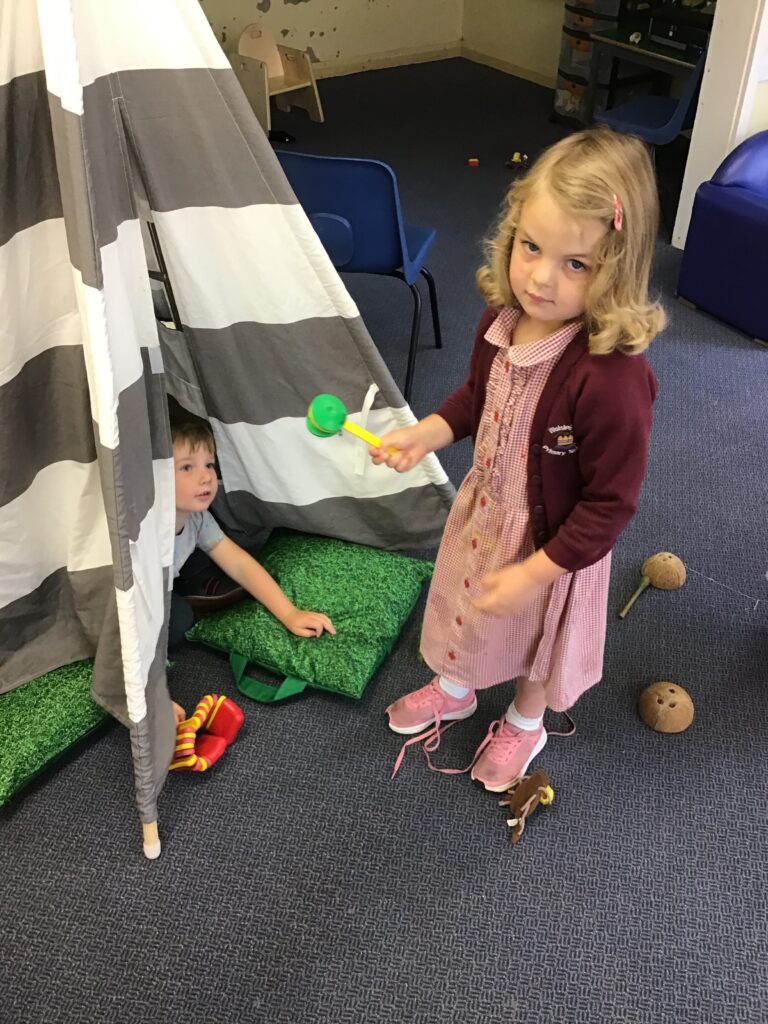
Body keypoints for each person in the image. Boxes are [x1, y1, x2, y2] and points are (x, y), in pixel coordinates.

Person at [370, 126, 664, 791]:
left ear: (616, 271)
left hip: (556, 545)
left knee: (538, 640)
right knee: (466, 600)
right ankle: (457, 687)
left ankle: (526, 723)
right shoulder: (500, 320)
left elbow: (611, 504)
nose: (539, 277)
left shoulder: (612, 381)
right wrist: (428, 433)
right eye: (531, 246)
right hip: (488, 508)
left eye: (575, 264)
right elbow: (479, 395)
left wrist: (538, 570)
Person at [170, 419, 335, 722]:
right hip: (114, 605)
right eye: (187, 467)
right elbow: (128, 622)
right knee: (176, 618)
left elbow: (239, 563)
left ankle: (189, 581)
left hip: (164, 578)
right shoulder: (144, 538)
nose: (206, 477)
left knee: (195, 578)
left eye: (209, 464)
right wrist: (150, 697)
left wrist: (289, 613)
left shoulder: (196, 517)